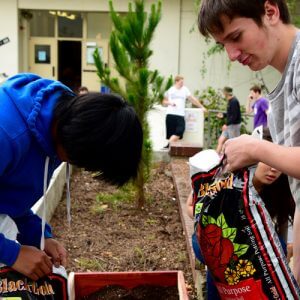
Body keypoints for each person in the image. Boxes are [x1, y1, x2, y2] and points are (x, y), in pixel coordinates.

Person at [0, 73, 143, 280]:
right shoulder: (7, 134)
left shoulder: (60, 125)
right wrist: (13, 254)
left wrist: (39, 237)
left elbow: (9, 197)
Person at [198, 0, 300, 282]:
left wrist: (256, 149)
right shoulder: (289, 74)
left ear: (270, 12)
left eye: (236, 37)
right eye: (223, 45)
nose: (231, 54)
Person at [187, 128, 295, 299]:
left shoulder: (280, 189)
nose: (274, 169)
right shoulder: (230, 179)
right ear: (251, 159)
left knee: (279, 246)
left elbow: (284, 224)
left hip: (250, 247)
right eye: (266, 160)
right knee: (221, 261)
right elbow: (191, 207)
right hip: (215, 238)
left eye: (277, 163)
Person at [162, 75, 207, 149]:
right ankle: (171, 152)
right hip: (170, 114)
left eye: (183, 82)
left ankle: (167, 145)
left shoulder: (185, 89)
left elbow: (192, 99)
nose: (182, 84)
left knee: (180, 131)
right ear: (176, 81)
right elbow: (163, 101)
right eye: (181, 82)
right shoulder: (170, 90)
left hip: (180, 115)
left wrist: (202, 107)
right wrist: (170, 103)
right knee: (171, 135)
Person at [215, 86, 241, 154]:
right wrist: (223, 115)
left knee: (233, 144)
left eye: (224, 92)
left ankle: (235, 158)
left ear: (226, 93)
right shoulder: (230, 101)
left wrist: (226, 124)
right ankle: (215, 158)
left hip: (234, 125)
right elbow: (230, 113)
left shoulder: (234, 101)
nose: (223, 93)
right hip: (229, 125)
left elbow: (234, 116)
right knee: (221, 140)